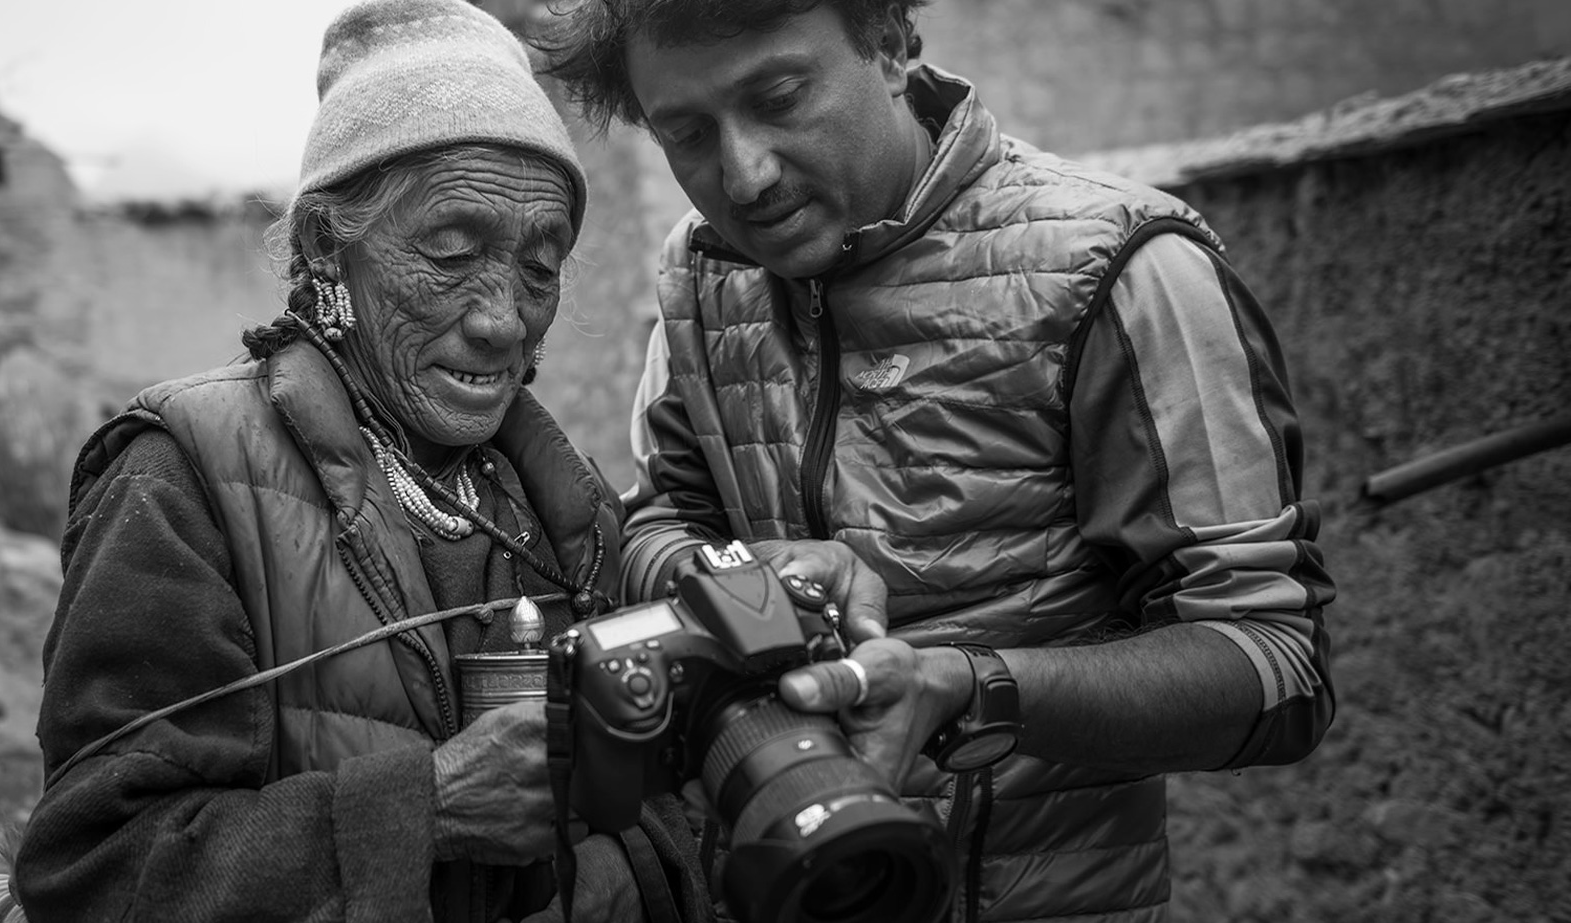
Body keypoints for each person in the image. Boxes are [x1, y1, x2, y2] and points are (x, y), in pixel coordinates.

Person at [544, 1, 1337, 920]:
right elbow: (660, 520)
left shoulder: (1124, 269)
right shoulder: (704, 274)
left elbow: (1278, 665)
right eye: (686, 132)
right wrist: (729, 579)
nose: (744, 173)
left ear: (887, 44)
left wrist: (971, 686)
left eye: (780, 96)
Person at [3, 1, 711, 920]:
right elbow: (93, 868)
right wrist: (434, 806)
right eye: (451, 254)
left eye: (542, 268)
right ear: (326, 249)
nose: (504, 319)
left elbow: (670, 810)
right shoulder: (183, 480)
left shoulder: (562, 508)